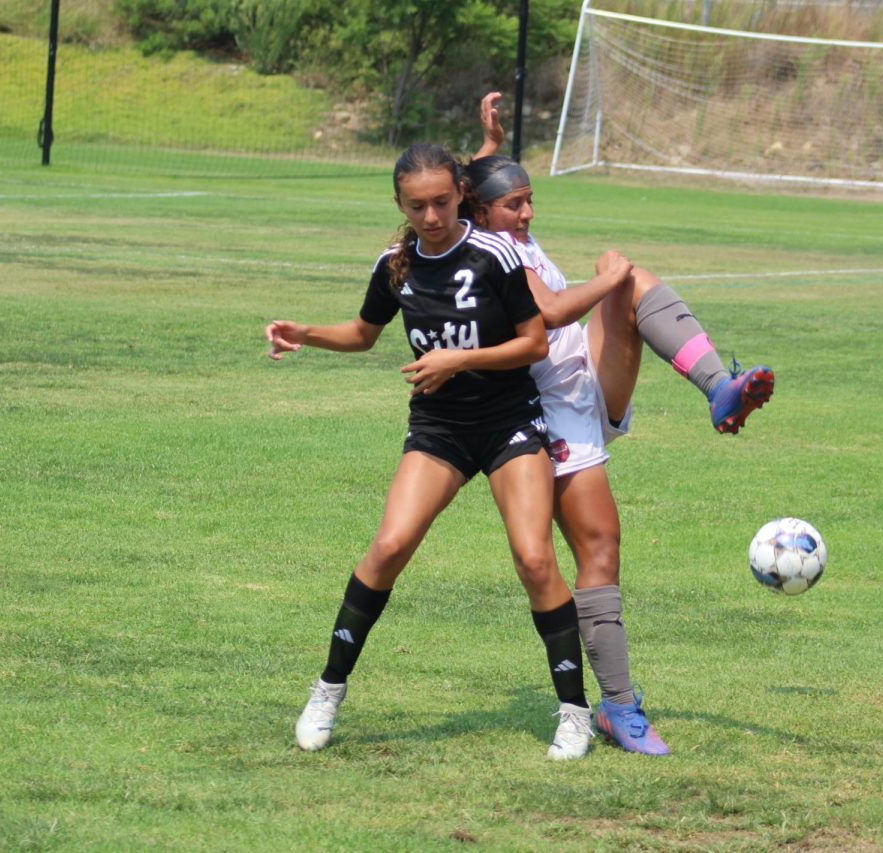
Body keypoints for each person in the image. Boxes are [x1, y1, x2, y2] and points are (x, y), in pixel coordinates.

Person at [463, 93, 775, 756]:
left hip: (581, 386)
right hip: (540, 417)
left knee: (632, 279)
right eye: (514, 202)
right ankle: (618, 707)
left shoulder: (505, 227)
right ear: (484, 214)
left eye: (528, 198)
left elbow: (469, 188)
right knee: (594, 551)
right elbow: (546, 312)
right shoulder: (490, 247)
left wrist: (489, 145)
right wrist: (607, 280)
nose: (527, 211)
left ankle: (721, 388)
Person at [265, 142, 594, 761]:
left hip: (507, 423)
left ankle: (574, 711)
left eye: (442, 202)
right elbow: (363, 335)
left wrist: (458, 359)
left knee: (533, 559)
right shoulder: (396, 265)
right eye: (418, 206)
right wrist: (304, 332)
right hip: (440, 428)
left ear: (458, 196)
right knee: (389, 546)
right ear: (401, 205)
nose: (432, 215)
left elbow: (533, 346)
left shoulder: (496, 254)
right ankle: (328, 689)